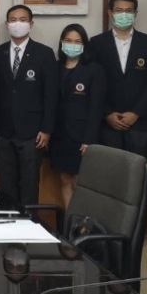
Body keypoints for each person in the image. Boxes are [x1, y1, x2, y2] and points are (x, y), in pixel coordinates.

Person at [0, 5, 58, 205]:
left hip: (33, 132)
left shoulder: (44, 53)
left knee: (29, 184)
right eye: (13, 20)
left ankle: (29, 221)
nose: (17, 24)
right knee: (6, 183)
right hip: (3, 130)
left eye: (22, 20)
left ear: (31, 24)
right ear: (6, 25)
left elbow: (50, 94)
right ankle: (9, 220)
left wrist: (47, 129)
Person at [89, 0, 147, 157]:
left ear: (135, 14)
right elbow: (93, 83)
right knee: (109, 169)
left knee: (137, 169)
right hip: (107, 121)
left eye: (129, 11)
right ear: (110, 13)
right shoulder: (97, 43)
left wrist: (136, 113)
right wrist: (107, 113)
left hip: (140, 121)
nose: (124, 14)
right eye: (119, 10)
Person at [50, 24, 106, 209]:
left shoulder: (94, 69)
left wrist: (89, 139)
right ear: (61, 42)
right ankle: (70, 222)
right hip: (59, 135)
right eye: (68, 40)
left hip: (82, 135)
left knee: (79, 181)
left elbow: (96, 107)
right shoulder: (54, 67)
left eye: (77, 41)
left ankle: (83, 223)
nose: (72, 45)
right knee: (65, 179)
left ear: (84, 45)